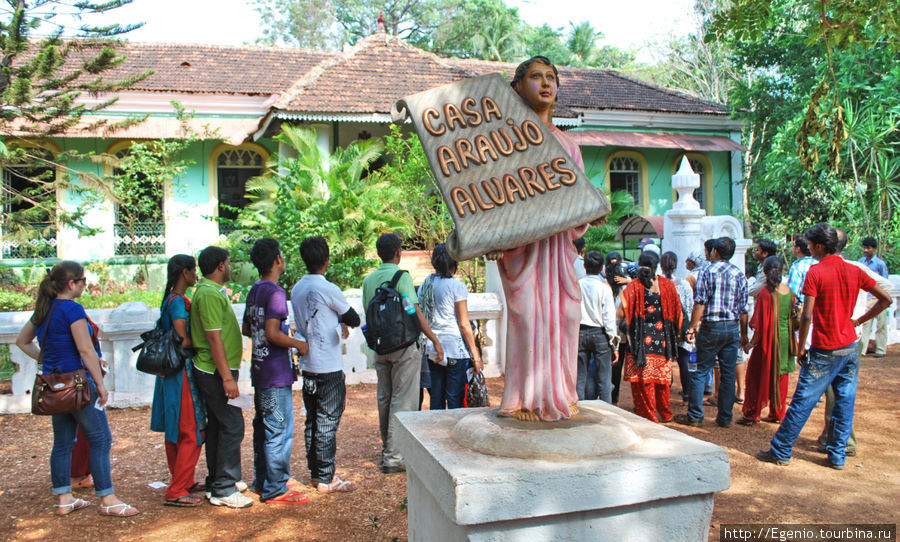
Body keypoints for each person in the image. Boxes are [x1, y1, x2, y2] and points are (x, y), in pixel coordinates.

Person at [488, 55, 603, 422]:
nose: (546, 83)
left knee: (566, 316)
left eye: (551, 77)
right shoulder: (507, 141)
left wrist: (590, 213)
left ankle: (563, 393)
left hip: (557, 252)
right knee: (526, 316)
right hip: (523, 251)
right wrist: (495, 235)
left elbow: (577, 201)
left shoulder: (569, 146)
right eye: (536, 77)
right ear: (518, 87)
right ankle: (523, 397)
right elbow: (493, 195)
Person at [757, 223, 891, 470]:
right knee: (844, 402)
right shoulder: (855, 270)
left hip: (825, 348)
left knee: (802, 401)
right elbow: (887, 298)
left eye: (809, 244)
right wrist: (858, 321)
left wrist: (799, 346)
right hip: (850, 345)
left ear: (819, 246)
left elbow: (807, 316)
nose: (807, 248)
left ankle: (781, 450)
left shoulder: (816, 272)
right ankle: (837, 455)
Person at [15, 261, 138, 517]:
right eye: (83, 280)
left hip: (54, 386)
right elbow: (85, 350)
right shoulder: (72, 309)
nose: (86, 284)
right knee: (101, 439)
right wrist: (101, 385)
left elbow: (22, 341)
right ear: (72, 284)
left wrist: (45, 359)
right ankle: (108, 499)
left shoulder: (44, 309)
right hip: (79, 385)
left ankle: (64, 498)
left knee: (62, 443)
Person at [362, 233, 444, 473]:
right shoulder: (402, 277)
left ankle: (388, 448)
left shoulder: (368, 280)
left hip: (380, 347)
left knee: (385, 398)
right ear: (398, 253)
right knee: (402, 399)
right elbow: (414, 313)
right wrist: (434, 340)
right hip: (403, 347)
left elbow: (368, 313)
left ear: (379, 254)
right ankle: (394, 457)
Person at [291, 236, 361, 493]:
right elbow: (352, 317)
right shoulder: (327, 287)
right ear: (327, 260)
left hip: (308, 363)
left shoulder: (297, 288)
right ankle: (325, 478)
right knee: (327, 421)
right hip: (328, 366)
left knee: (313, 420)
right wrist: (342, 321)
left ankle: (316, 473)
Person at [242, 238, 310, 504]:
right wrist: (296, 342)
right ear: (277, 260)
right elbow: (271, 333)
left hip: (259, 371)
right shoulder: (276, 293)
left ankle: (263, 480)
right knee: (279, 429)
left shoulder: (255, 289)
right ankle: (276, 488)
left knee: (264, 427)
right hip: (275, 372)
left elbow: (249, 329)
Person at [191, 246, 252, 508]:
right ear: (219, 266)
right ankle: (224, 488)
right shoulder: (207, 294)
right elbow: (214, 338)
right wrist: (227, 378)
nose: (230, 267)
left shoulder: (212, 292)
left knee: (218, 425)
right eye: (227, 263)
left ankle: (217, 480)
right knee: (232, 425)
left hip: (218, 369)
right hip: (214, 371)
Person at [149, 255, 206, 507]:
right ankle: (177, 488)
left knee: (176, 429)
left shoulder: (171, 299)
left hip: (171, 375)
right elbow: (183, 340)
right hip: (182, 374)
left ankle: (183, 480)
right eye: (194, 270)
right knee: (191, 430)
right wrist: (210, 340)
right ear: (185, 272)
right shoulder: (178, 303)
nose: (196, 274)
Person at [676, 237, 749, 428]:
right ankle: (725, 417)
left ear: (715, 251)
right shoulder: (739, 274)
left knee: (701, 370)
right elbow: (743, 309)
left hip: (711, 326)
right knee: (727, 373)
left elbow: (700, 302)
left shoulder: (708, 271)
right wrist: (743, 333)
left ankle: (695, 416)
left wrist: (692, 327)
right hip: (732, 327)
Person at [618, 251, 682, 423]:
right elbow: (678, 313)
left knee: (642, 381)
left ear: (639, 265)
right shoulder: (667, 285)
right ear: (657, 266)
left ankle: (648, 415)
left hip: (640, 342)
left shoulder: (633, 287)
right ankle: (666, 413)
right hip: (662, 341)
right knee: (662, 380)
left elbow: (620, 313)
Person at [418, 244, 483, 410]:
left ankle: (435, 434)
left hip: (433, 348)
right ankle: (453, 433)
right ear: (454, 262)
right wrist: (475, 355)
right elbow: (463, 323)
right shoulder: (457, 287)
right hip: (454, 349)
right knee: (455, 399)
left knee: (437, 397)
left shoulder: (426, 285)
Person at [739, 256, 796, 425]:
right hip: (785, 339)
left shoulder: (765, 293)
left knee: (756, 375)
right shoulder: (788, 291)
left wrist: (750, 344)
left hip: (767, 340)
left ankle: (752, 413)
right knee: (781, 375)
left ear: (764, 272)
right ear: (782, 271)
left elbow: (760, 325)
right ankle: (777, 412)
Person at [577, 251, 618, 402]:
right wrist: (614, 344)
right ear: (602, 268)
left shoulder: (577, 285)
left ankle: (581, 408)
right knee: (604, 378)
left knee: (580, 377)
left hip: (580, 332)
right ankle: (607, 410)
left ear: (584, 265)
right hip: (600, 333)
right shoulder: (604, 288)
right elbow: (609, 319)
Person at [661, 251, 694, 401]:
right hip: (682, 326)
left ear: (661, 266)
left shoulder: (658, 284)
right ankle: (687, 393)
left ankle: (665, 391)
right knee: (684, 360)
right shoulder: (685, 284)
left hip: (664, 328)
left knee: (666, 360)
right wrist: (689, 327)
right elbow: (689, 306)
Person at [857, 237, 890, 358]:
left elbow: (885, 281)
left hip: (878, 298)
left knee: (881, 324)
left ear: (874, 249)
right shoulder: (861, 262)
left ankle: (881, 350)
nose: (866, 250)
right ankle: (862, 349)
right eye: (864, 247)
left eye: (868, 248)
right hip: (866, 297)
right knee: (865, 323)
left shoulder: (880, 264)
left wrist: (884, 299)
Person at [605, 251, 628, 404]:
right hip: (621, 331)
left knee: (604, 364)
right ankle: (614, 398)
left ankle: (606, 396)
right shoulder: (627, 285)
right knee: (617, 366)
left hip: (606, 330)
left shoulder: (603, 283)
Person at [786, 234, 815, 304]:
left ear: (798, 249)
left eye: (793, 245)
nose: (791, 247)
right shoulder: (817, 262)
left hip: (802, 308)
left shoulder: (797, 267)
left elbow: (792, 292)